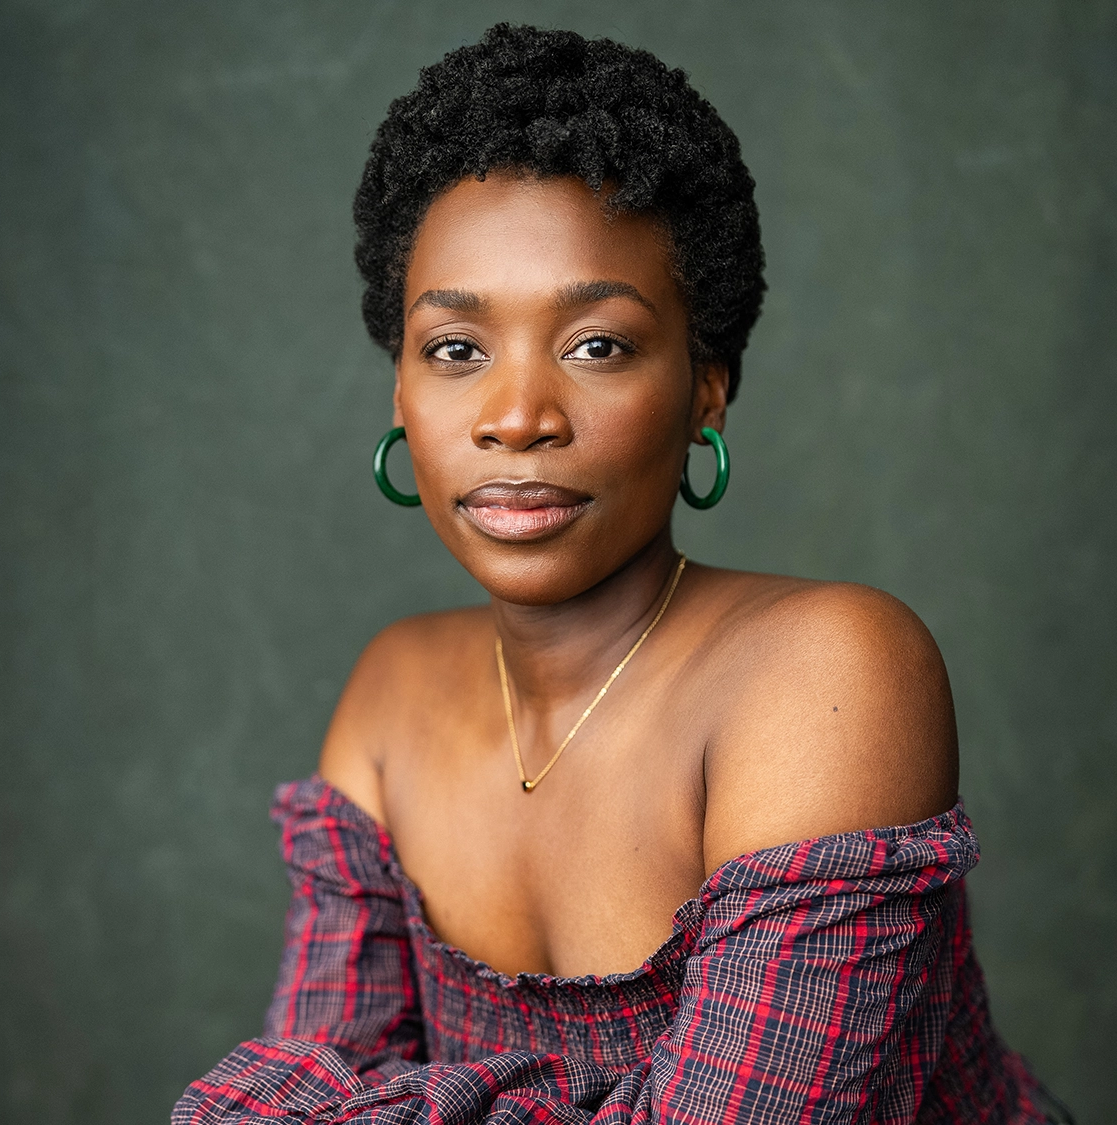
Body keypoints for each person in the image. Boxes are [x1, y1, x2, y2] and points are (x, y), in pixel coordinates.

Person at [175, 24, 1066, 1125]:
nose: (515, 418)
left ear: (707, 388)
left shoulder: (828, 671)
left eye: (596, 344)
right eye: (456, 350)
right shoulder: (388, 699)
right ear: (397, 392)